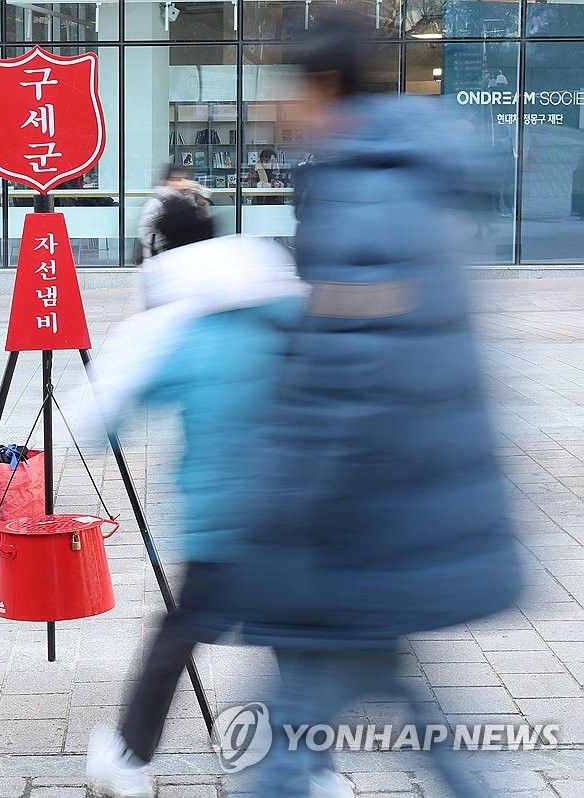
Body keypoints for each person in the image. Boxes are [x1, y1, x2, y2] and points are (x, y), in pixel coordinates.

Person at [215, 11, 521, 798]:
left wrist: (273, 517)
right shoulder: (406, 176)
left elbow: (341, 383)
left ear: (321, 86)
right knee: (407, 703)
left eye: (281, 88)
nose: (276, 109)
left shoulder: (367, 195)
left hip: (360, 523)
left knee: (285, 733)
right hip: (403, 509)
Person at [85, 195, 311, 798]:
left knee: (182, 634)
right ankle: (313, 768)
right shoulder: (284, 309)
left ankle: (128, 755)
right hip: (288, 508)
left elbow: (107, 414)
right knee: (292, 636)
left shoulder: (182, 331)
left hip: (218, 517)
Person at [135, 163, 211, 263]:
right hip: (159, 258)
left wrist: (202, 203)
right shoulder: (157, 201)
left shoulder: (188, 200)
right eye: (176, 179)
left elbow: (202, 223)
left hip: (183, 257)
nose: (180, 184)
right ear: (167, 181)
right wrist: (166, 242)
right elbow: (144, 230)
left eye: (183, 179)